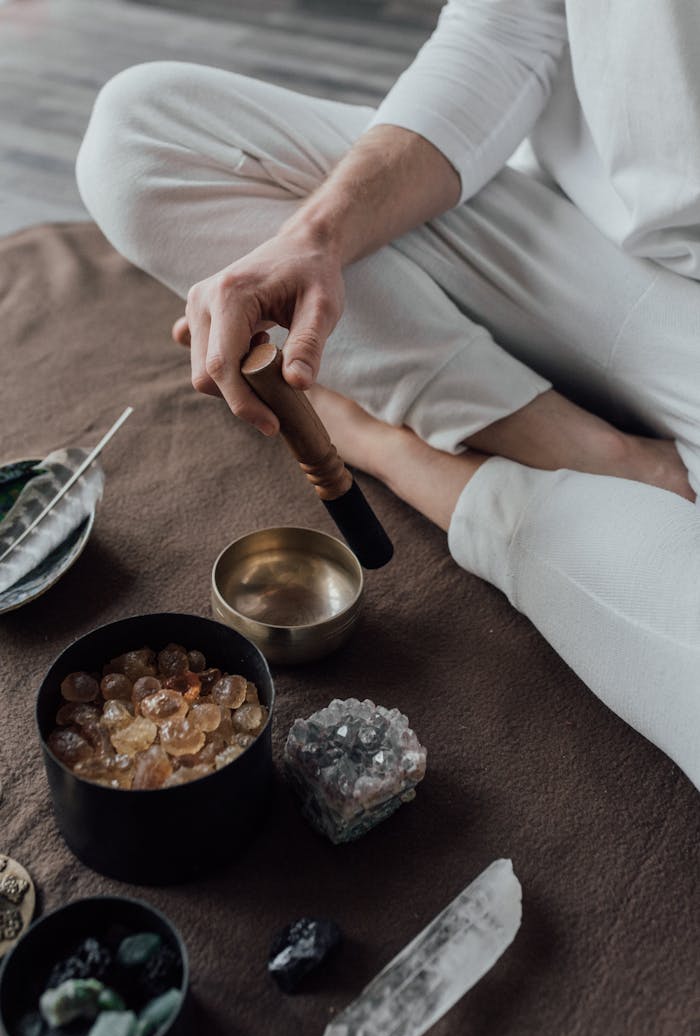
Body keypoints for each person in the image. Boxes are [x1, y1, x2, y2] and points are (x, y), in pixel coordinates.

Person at [74, 0, 700, 791]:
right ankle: (568, 442)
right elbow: (509, 28)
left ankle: (397, 451)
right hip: (568, 245)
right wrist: (317, 237)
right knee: (136, 135)